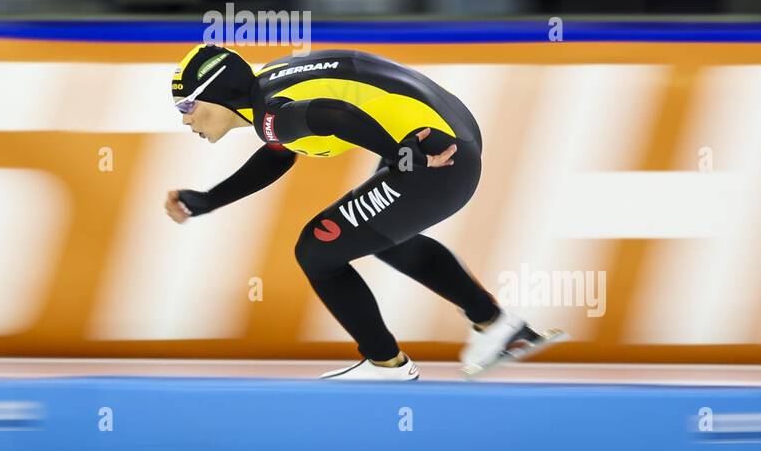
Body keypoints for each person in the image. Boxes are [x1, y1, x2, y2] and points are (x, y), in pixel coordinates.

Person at [164, 43, 565, 380]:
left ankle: (386, 363)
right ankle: (498, 327)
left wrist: (403, 155)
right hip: (449, 137)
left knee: (315, 250)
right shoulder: (271, 92)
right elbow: (277, 155)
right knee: (388, 240)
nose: (185, 119)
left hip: (434, 155)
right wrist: (209, 199)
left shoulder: (272, 114)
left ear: (216, 94)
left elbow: (334, 115)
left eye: (187, 105)